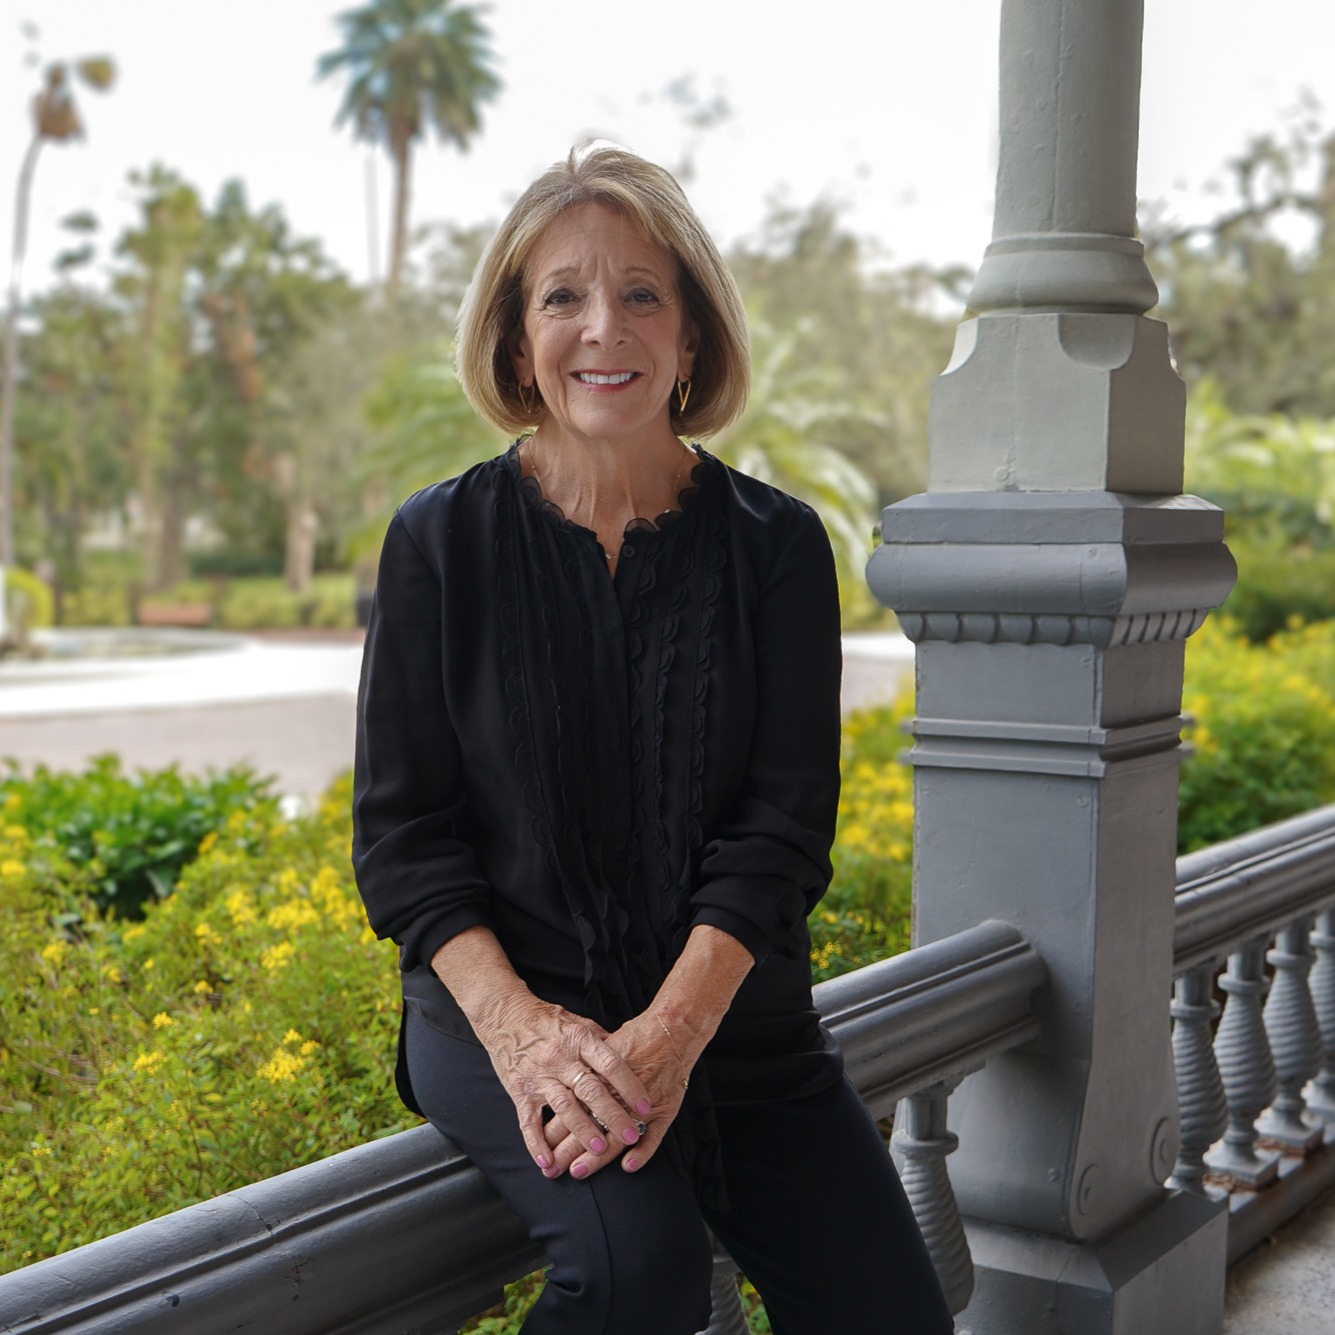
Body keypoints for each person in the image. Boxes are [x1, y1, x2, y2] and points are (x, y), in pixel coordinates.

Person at [352, 144, 953, 1335]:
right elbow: (405, 840)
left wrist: (673, 1036)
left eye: (641, 293)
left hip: (739, 1028)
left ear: (691, 338)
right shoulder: (438, 542)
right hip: (509, 1017)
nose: (602, 328)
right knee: (641, 1271)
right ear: (516, 343)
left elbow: (781, 832)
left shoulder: (778, 547)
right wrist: (527, 1037)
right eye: (562, 297)